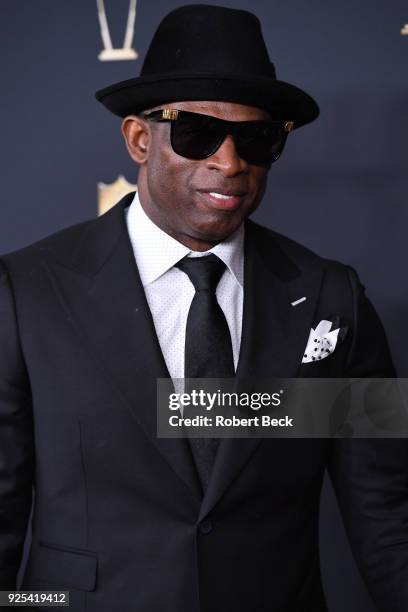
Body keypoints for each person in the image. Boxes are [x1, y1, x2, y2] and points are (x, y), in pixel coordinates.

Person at [0, 4, 407, 612]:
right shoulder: (27, 290)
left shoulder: (331, 299)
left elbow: (386, 510)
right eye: (196, 133)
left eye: (257, 138)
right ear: (140, 139)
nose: (229, 162)